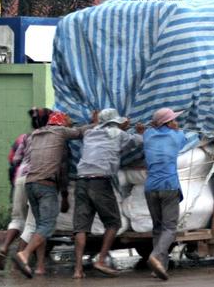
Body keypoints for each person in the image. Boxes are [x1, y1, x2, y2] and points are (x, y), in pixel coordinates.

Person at [12, 111, 96, 279]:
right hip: (46, 185)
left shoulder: (35, 134)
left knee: (38, 226)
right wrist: (97, 124)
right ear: (61, 123)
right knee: (47, 226)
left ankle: (40, 267)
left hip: (30, 184)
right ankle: (24, 254)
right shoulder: (60, 132)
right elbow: (80, 132)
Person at [73, 108, 144, 279]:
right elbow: (138, 141)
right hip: (100, 182)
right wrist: (140, 131)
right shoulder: (119, 134)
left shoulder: (89, 134)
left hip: (81, 181)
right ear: (116, 121)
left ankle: (77, 270)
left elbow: (106, 136)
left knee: (81, 227)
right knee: (113, 222)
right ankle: (101, 260)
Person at [0, 108, 52, 271]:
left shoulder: (25, 137)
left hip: (20, 179)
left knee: (17, 219)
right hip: (36, 179)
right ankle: (21, 259)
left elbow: (15, 159)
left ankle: (4, 248)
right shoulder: (52, 137)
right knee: (35, 224)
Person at [143, 107, 186, 281]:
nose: (176, 121)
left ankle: (159, 268)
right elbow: (186, 139)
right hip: (169, 186)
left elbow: (147, 130)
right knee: (169, 228)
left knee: (158, 228)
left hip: (150, 188)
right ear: (169, 123)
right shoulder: (176, 136)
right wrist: (177, 130)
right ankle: (155, 256)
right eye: (174, 119)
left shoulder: (147, 136)